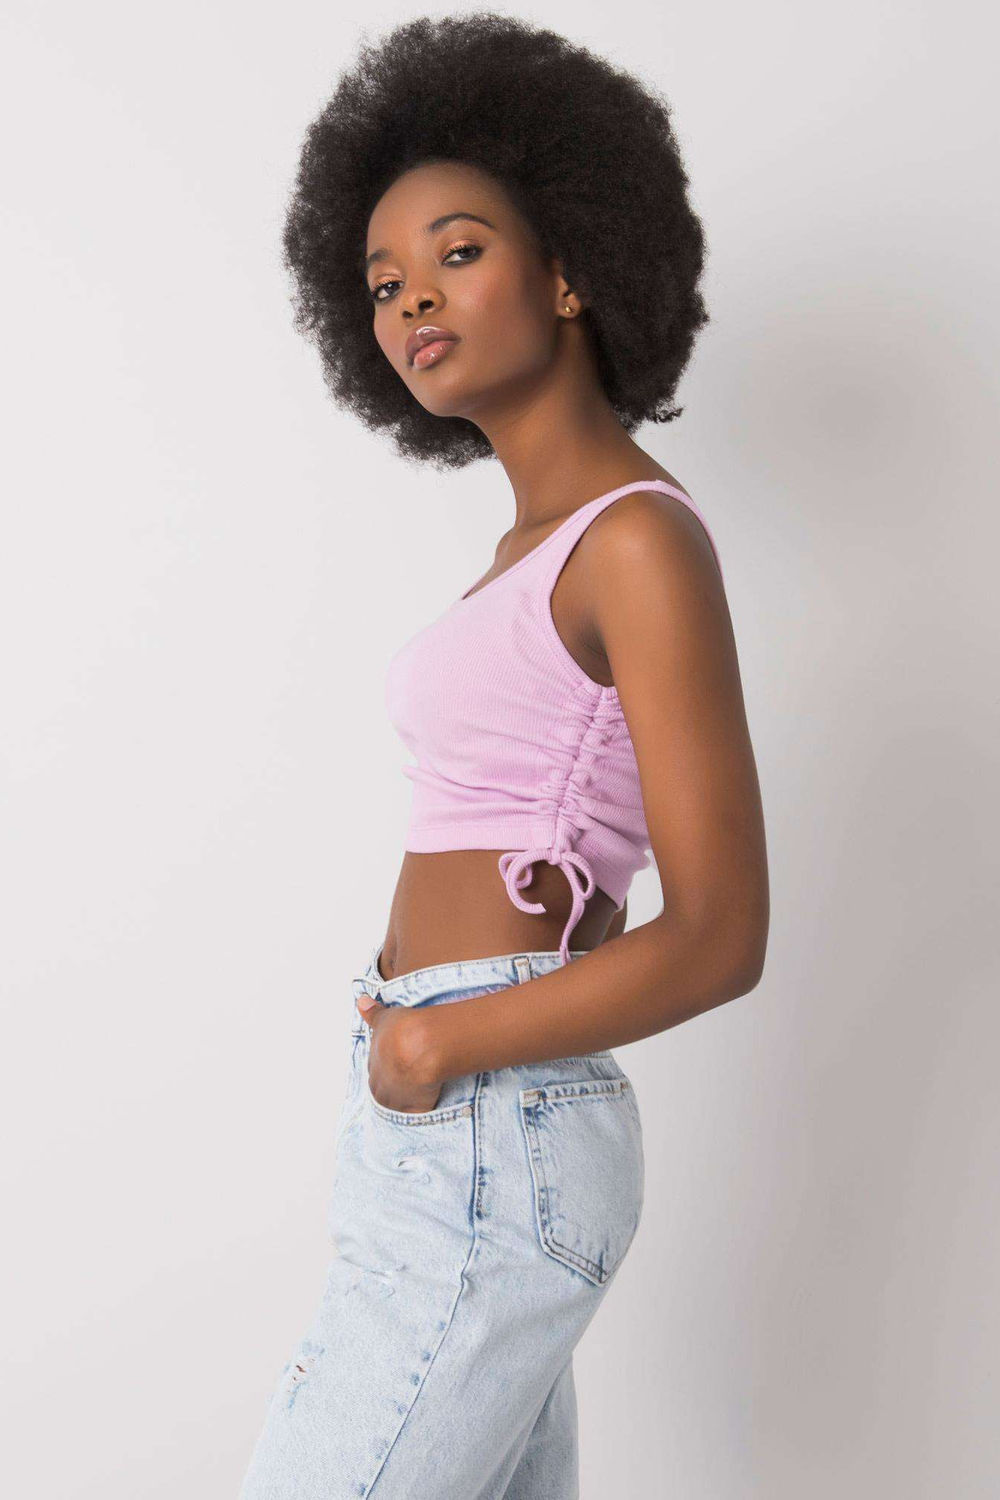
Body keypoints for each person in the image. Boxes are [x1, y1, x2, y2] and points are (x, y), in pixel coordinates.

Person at [239, 13, 769, 1498]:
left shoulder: (636, 543)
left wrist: (439, 1043)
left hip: (487, 1110)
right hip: (447, 1112)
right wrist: (404, 1033)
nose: (412, 297)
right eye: (383, 281)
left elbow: (722, 934)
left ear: (570, 268)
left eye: (457, 252)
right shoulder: (527, 554)